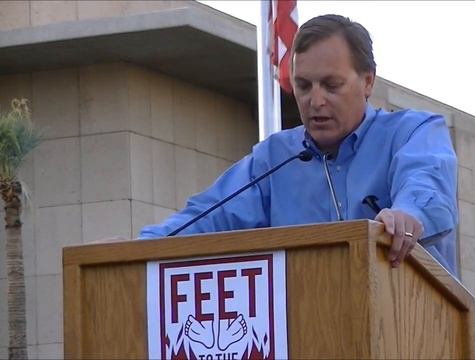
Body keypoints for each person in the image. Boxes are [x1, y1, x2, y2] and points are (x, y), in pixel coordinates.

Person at [139, 14, 458, 275]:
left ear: (368, 82)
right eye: (303, 86)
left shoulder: (415, 131)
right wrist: (132, 250)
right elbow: (204, 219)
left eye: (332, 86)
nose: (315, 101)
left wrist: (406, 215)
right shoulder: (274, 158)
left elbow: (427, 189)